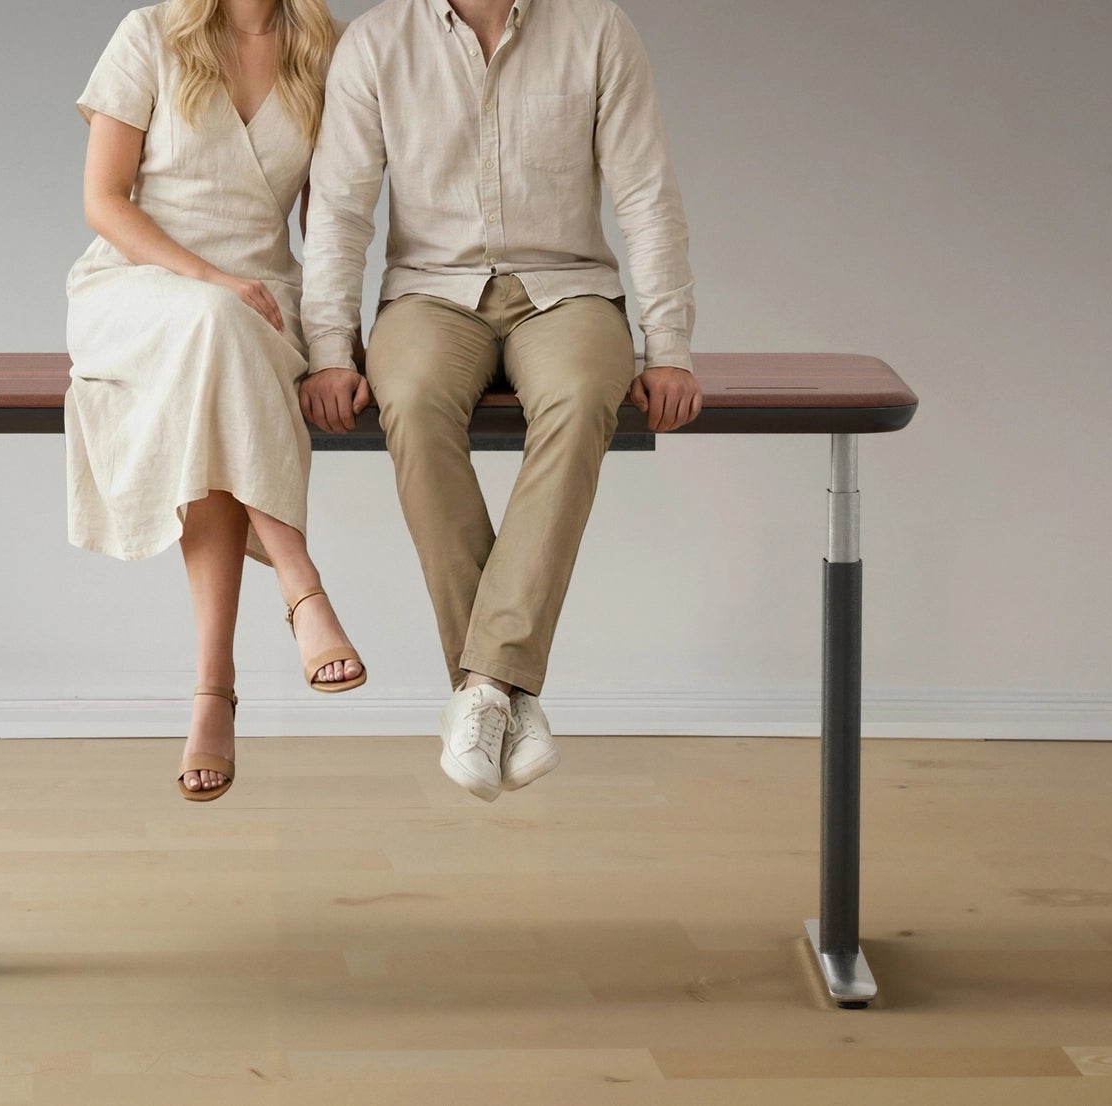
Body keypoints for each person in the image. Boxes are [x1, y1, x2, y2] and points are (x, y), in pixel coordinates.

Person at [300, 0, 699, 801]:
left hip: (568, 288)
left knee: (589, 393)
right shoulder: (377, 44)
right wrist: (328, 351)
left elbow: (645, 196)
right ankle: (505, 687)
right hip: (429, 292)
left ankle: (482, 687)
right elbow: (340, 210)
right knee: (406, 397)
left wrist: (671, 348)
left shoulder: (597, 31)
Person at [66, 0, 364, 803]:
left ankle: (212, 692)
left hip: (262, 307)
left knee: (220, 359)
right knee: (211, 328)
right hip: (137, 291)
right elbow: (103, 200)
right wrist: (208, 279)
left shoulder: (323, 48)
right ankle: (300, 587)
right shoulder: (150, 35)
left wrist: (334, 343)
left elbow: (330, 218)